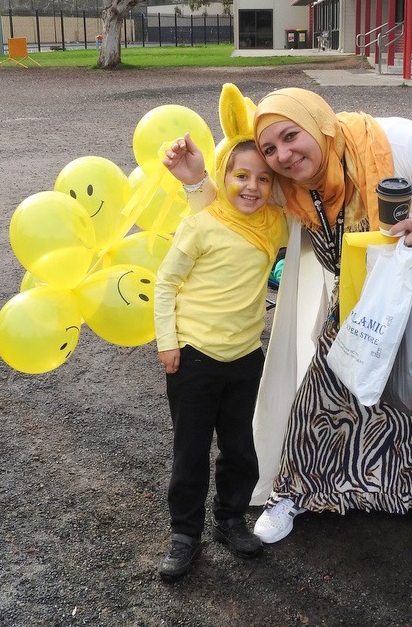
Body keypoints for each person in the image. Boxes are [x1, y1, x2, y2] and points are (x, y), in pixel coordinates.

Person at [168, 86, 412, 548]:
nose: (283, 155)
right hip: (355, 300)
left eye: (291, 136)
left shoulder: (394, 141)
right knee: (323, 401)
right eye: (270, 148)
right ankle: (296, 492)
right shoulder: (291, 185)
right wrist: (195, 180)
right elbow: (233, 216)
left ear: (320, 123)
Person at [154, 86, 287, 581]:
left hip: (245, 357)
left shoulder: (272, 224)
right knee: (190, 450)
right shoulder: (202, 224)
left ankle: (230, 518)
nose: (251, 187)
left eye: (263, 179)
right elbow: (166, 282)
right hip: (194, 359)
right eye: (240, 175)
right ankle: (184, 533)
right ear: (223, 174)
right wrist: (168, 341)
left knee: (239, 447)